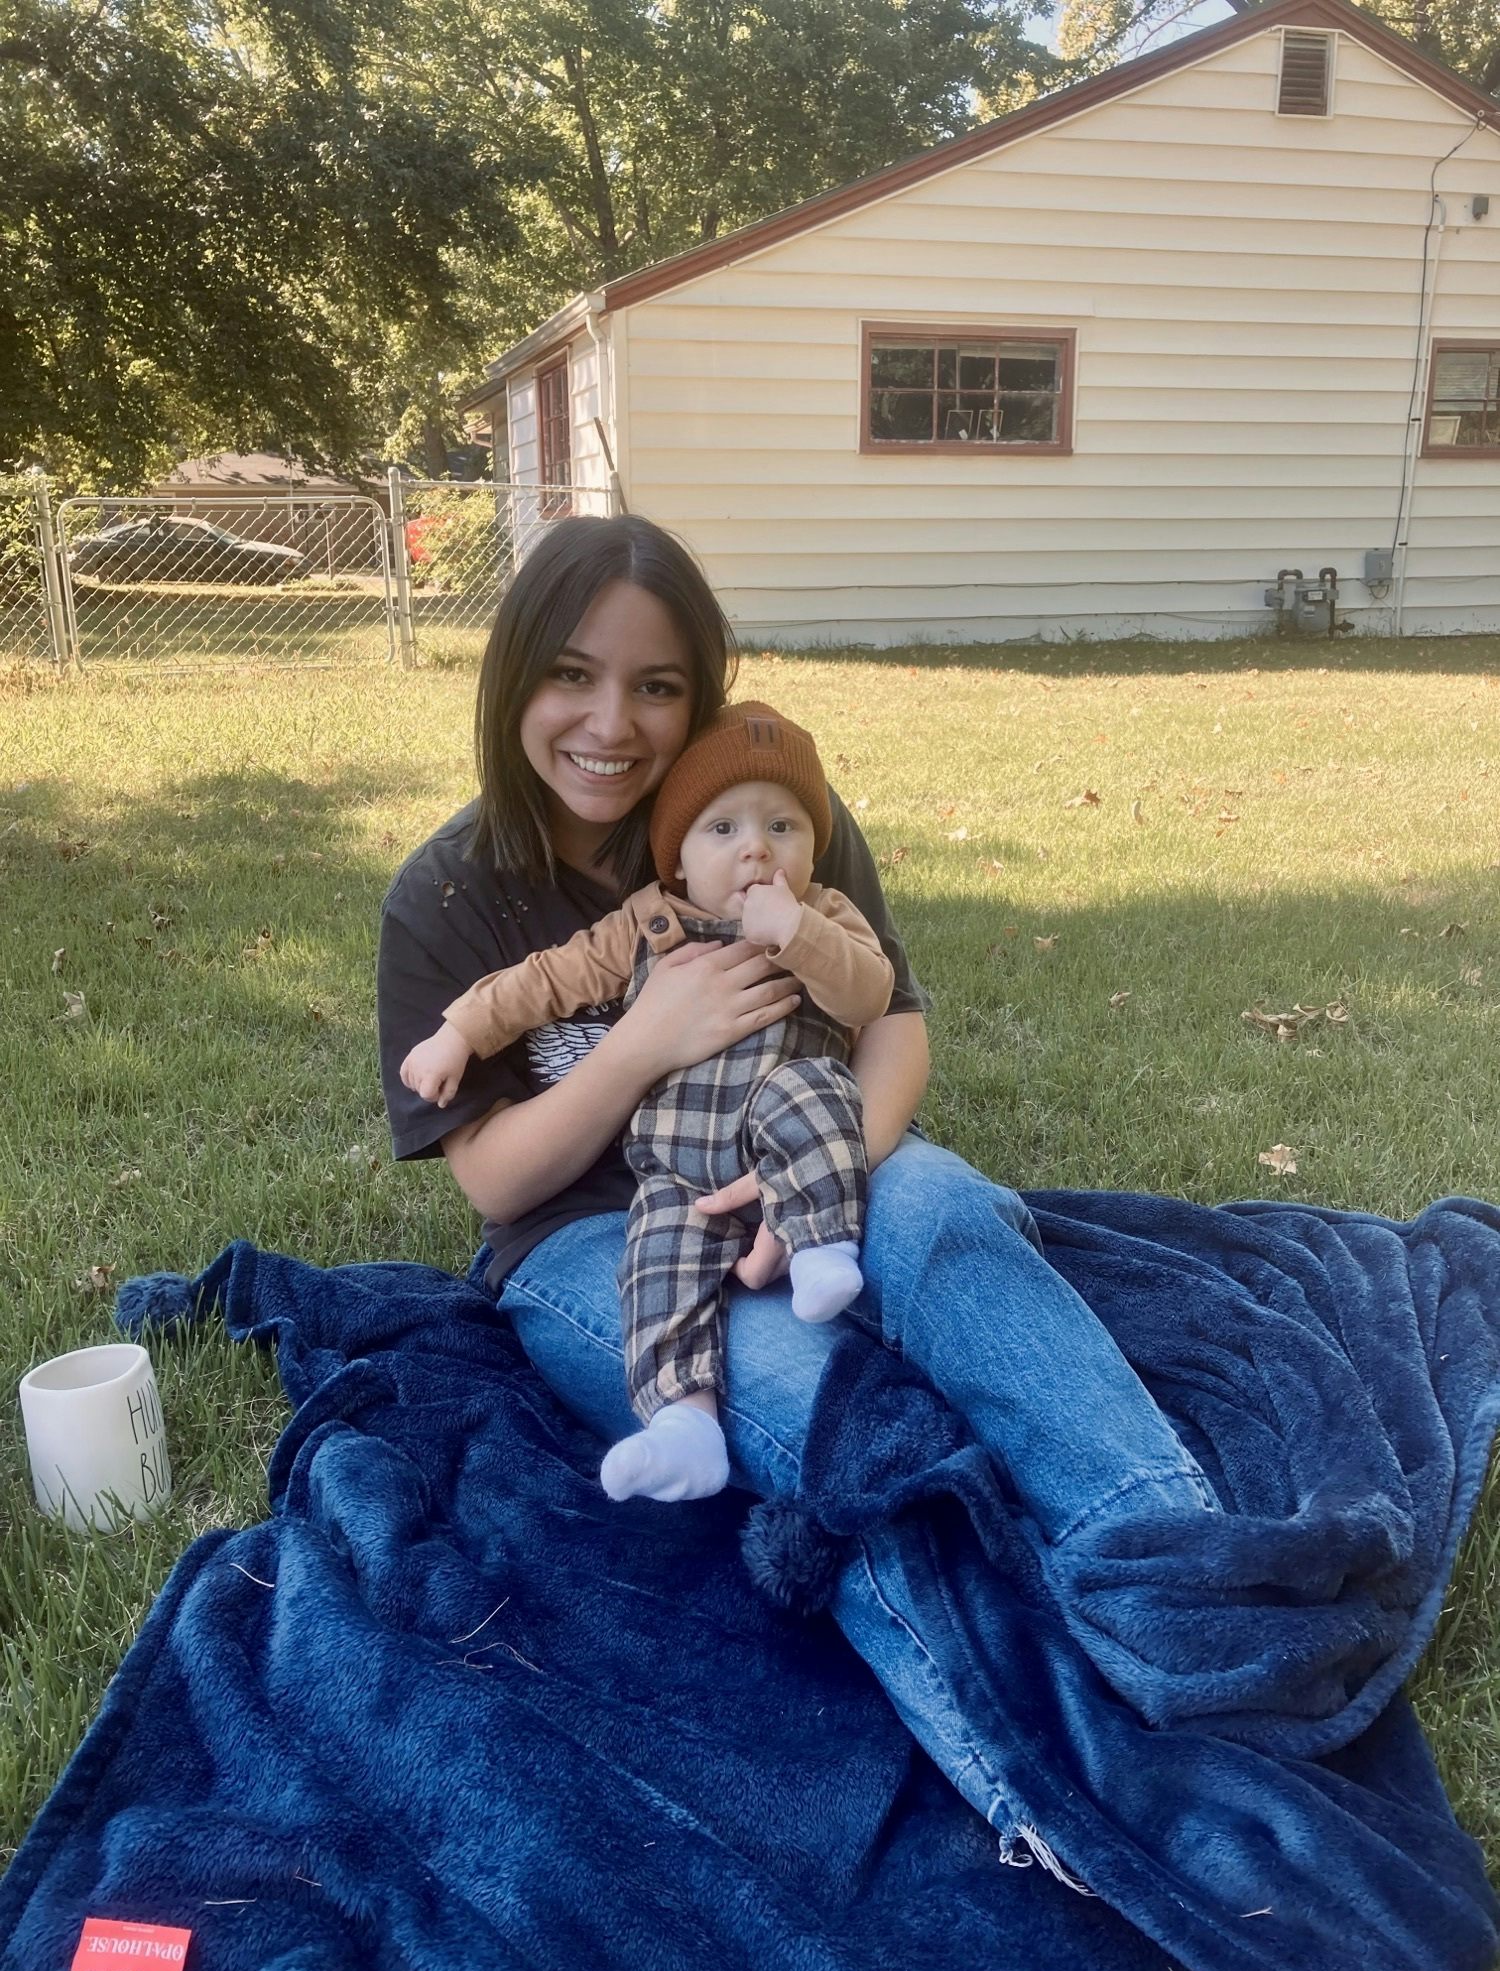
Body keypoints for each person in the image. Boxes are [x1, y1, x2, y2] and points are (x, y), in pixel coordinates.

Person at [377, 512, 1209, 1839]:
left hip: (811, 1142)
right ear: (512, 676)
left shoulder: (772, 812)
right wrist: (647, 1039)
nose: (611, 722)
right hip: (596, 1242)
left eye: (657, 685)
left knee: (946, 1215)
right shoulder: (448, 893)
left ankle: (1179, 1569)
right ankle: (1067, 1778)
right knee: (823, 1405)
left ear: (702, 692)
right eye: (571, 674)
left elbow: (894, 1026)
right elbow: (497, 1182)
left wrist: (814, 1175)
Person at [398, 700, 895, 1504]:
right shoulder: (648, 921)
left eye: (783, 827)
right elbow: (543, 981)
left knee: (813, 1094)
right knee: (656, 1266)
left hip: (785, 1137)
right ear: (679, 858)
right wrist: (459, 1031)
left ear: (814, 847)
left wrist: (797, 933)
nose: (756, 849)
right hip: (679, 1171)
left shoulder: (827, 917)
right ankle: (683, 1425)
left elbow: (870, 994)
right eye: (723, 829)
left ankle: (821, 1252)